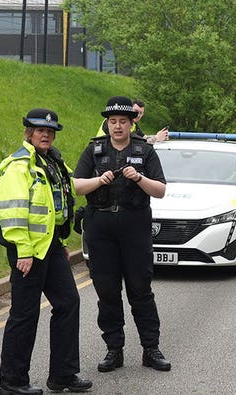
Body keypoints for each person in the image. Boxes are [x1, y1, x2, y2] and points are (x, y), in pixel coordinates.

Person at [0, 108, 92, 395]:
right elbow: (12, 213)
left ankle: (62, 374)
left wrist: (59, 243)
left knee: (68, 302)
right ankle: (11, 382)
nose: (46, 134)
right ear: (29, 133)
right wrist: (23, 251)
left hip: (50, 247)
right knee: (24, 315)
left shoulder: (53, 162)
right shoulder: (19, 166)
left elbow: (55, 207)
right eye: (40, 130)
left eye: (50, 131)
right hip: (27, 251)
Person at [74, 96, 171, 373]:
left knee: (140, 289)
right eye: (113, 122)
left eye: (123, 122)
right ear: (107, 124)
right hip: (101, 225)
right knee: (107, 291)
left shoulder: (145, 151)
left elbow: (161, 190)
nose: (117, 127)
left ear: (131, 124)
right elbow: (77, 186)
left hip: (134, 225)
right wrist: (98, 180)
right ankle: (113, 350)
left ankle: (151, 349)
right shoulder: (93, 150)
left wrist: (138, 178)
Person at [94, 98, 169, 143]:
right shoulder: (110, 123)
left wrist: (158, 135)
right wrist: (156, 138)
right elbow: (135, 143)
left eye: (141, 113)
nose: (138, 115)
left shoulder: (134, 125)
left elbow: (143, 138)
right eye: (136, 111)